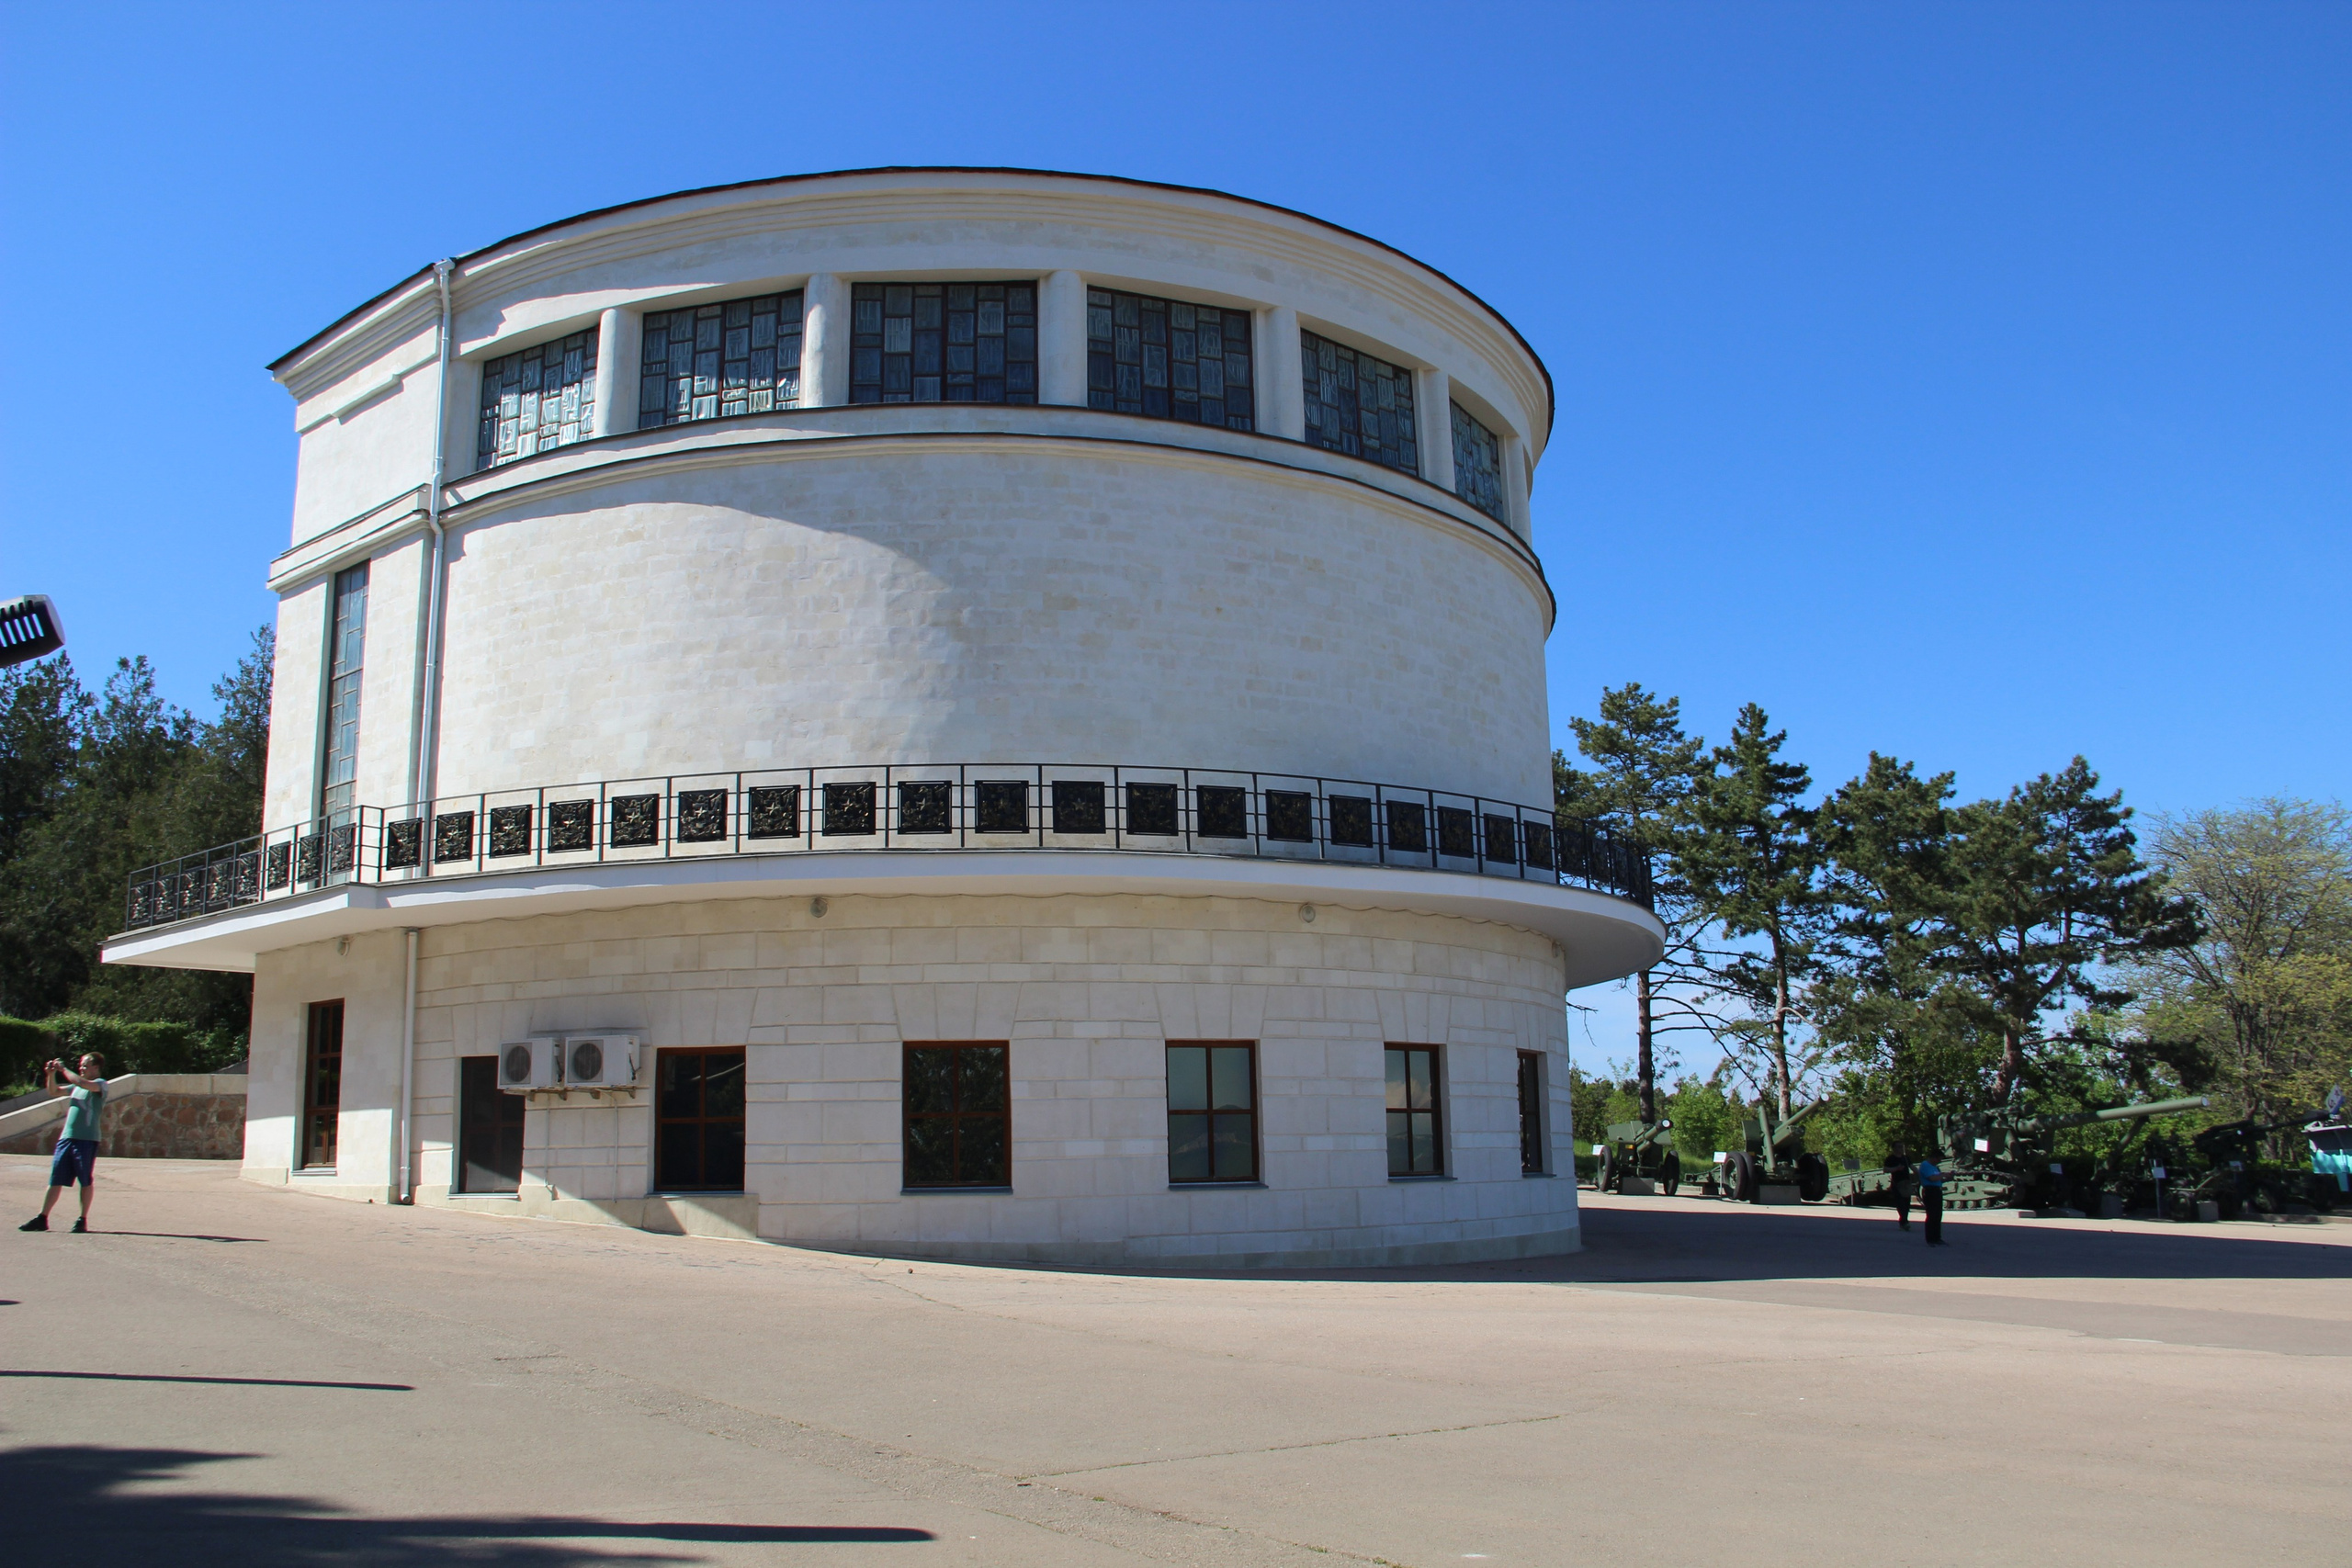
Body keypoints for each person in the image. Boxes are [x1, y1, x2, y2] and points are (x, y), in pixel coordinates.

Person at [20, 1053, 107, 1233]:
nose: (81, 1068)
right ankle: (42, 1218)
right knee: (56, 1179)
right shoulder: (75, 1087)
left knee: (85, 1180)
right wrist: (51, 1074)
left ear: (96, 1068)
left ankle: (82, 1219)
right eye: (81, 1065)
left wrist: (63, 1069)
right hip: (67, 1138)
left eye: (85, 1065)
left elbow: (82, 1083)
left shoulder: (100, 1085)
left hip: (87, 1140)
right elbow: (53, 1091)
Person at [1917, 1145, 1948, 1247]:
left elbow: (1939, 1179)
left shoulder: (1935, 1167)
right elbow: (1932, 1178)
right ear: (1934, 1157)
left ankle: (1937, 1237)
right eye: (1939, 1159)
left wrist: (1948, 1177)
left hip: (1937, 1191)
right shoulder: (1925, 1165)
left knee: (1938, 1215)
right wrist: (1942, 1175)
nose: (1939, 1162)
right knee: (1931, 1215)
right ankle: (1930, 1239)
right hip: (1930, 1191)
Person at [1884, 1141, 1916, 1231]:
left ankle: (1904, 1222)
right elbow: (1885, 1169)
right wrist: (1896, 1169)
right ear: (1894, 1148)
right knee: (1900, 1204)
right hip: (1897, 1184)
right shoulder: (1890, 1158)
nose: (1901, 1148)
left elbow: (1912, 1167)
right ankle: (1904, 1223)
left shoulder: (1906, 1158)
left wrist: (1921, 1174)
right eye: (1898, 1147)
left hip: (1906, 1184)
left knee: (1906, 1204)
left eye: (1902, 1147)